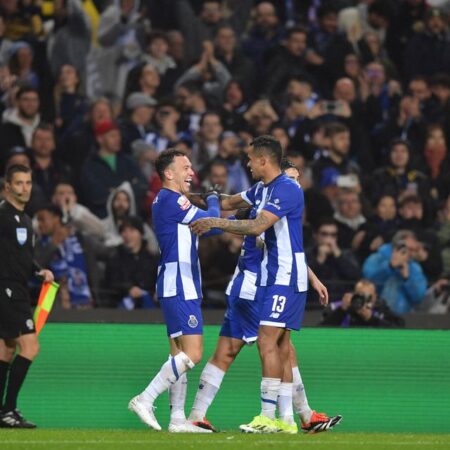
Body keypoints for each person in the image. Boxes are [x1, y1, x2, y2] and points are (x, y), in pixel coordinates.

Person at [187, 158, 342, 434]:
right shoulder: (266, 205)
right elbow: (234, 212)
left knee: (231, 351)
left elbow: (288, 251)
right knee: (281, 349)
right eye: (291, 178)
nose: (294, 184)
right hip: (257, 289)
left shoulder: (271, 204)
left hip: (245, 287)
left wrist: (313, 277)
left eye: (297, 179)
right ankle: (296, 416)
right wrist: (203, 205)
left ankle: (198, 415)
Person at [128, 148, 220, 433]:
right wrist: (214, 198)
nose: (191, 172)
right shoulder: (171, 199)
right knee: (192, 354)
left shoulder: (168, 201)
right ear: (169, 173)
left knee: (178, 354)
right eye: (186, 167)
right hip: (180, 284)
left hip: (176, 282)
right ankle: (145, 398)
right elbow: (212, 225)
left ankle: (178, 419)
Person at [0, 165, 54, 428]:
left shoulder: (25, 218)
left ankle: (3, 412)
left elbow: (21, 256)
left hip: (18, 288)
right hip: (6, 289)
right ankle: (8, 409)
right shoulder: (2, 214)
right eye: (19, 183)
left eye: (28, 182)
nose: (25, 188)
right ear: (7, 186)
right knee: (30, 346)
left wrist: (38, 271)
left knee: (6, 349)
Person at [362, 230, 428, 314]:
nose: (411, 253)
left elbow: (419, 297)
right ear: (396, 247)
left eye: (413, 250)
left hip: (404, 319)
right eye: (408, 249)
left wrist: (407, 278)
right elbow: (367, 285)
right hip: (374, 316)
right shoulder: (376, 259)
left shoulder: (414, 267)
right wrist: (390, 267)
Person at [321, 279, 404, 327]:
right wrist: (342, 311)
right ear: (354, 294)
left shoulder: (381, 309)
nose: (364, 301)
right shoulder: (341, 307)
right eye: (360, 296)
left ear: (375, 297)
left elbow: (400, 330)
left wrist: (371, 319)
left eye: (368, 297)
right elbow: (321, 330)